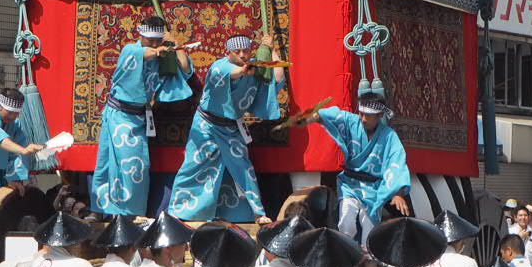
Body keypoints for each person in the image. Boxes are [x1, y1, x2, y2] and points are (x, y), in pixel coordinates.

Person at [167, 35, 281, 223]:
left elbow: (276, 78)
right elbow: (236, 73)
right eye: (237, 52)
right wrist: (251, 67)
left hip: (231, 128)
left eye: (246, 51)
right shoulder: (219, 67)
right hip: (207, 126)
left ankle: (257, 213)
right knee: (194, 166)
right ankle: (177, 211)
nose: (243, 55)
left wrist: (271, 51)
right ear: (228, 52)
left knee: (243, 168)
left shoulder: (256, 65)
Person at [92, 16, 193, 217]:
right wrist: (157, 50)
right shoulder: (131, 50)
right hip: (119, 115)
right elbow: (144, 53)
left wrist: (177, 46)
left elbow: (186, 70)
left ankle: (129, 212)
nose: (155, 43)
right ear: (141, 35)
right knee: (110, 163)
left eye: (158, 39)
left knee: (136, 165)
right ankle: (100, 209)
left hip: (139, 117)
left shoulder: (164, 54)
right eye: (150, 39)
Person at [308, 93, 411, 241]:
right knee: (346, 221)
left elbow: (397, 162)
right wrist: (315, 117)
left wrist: (398, 193)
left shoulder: (389, 136)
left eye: (368, 116)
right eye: (361, 114)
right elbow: (331, 115)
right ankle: (346, 259)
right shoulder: (351, 121)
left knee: (370, 232)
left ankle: (368, 261)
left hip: (373, 188)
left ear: (380, 115)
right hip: (349, 183)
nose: (363, 119)